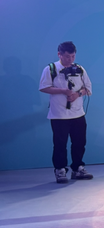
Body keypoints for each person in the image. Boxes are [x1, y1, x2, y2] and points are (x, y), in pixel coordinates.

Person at [38, 42, 94, 183]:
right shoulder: (51, 69)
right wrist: (63, 91)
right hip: (58, 115)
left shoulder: (79, 69)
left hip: (78, 114)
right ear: (60, 55)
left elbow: (88, 88)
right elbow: (44, 87)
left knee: (80, 142)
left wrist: (77, 94)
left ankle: (78, 168)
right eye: (68, 56)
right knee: (60, 144)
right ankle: (60, 169)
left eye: (73, 56)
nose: (70, 59)